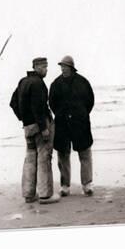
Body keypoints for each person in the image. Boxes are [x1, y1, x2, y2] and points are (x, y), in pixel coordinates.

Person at [49, 55, 95, 197]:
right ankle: (65, 186)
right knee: (63, 154)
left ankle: (87, 185)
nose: (63, 69)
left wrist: (81, 114)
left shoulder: (83, 82)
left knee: (85, 152)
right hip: (62, 123)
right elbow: (52, 104)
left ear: (71, 68)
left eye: (65, 66)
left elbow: (90, 101)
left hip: (80, 123)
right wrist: (61, 114)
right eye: (61, 66)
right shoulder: (55, 84)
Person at [16, 57, 59, 204]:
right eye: (45, 67)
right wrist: (44, 128)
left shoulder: (23, 82)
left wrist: (23, 119)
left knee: (30, 158)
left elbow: (13, 103)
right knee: (44, 158)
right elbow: (38, 107)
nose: (46, 70)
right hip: (40, 126)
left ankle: (28, 194)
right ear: (37, 67)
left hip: (27, 127)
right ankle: (46, 195)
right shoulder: (38, 83)